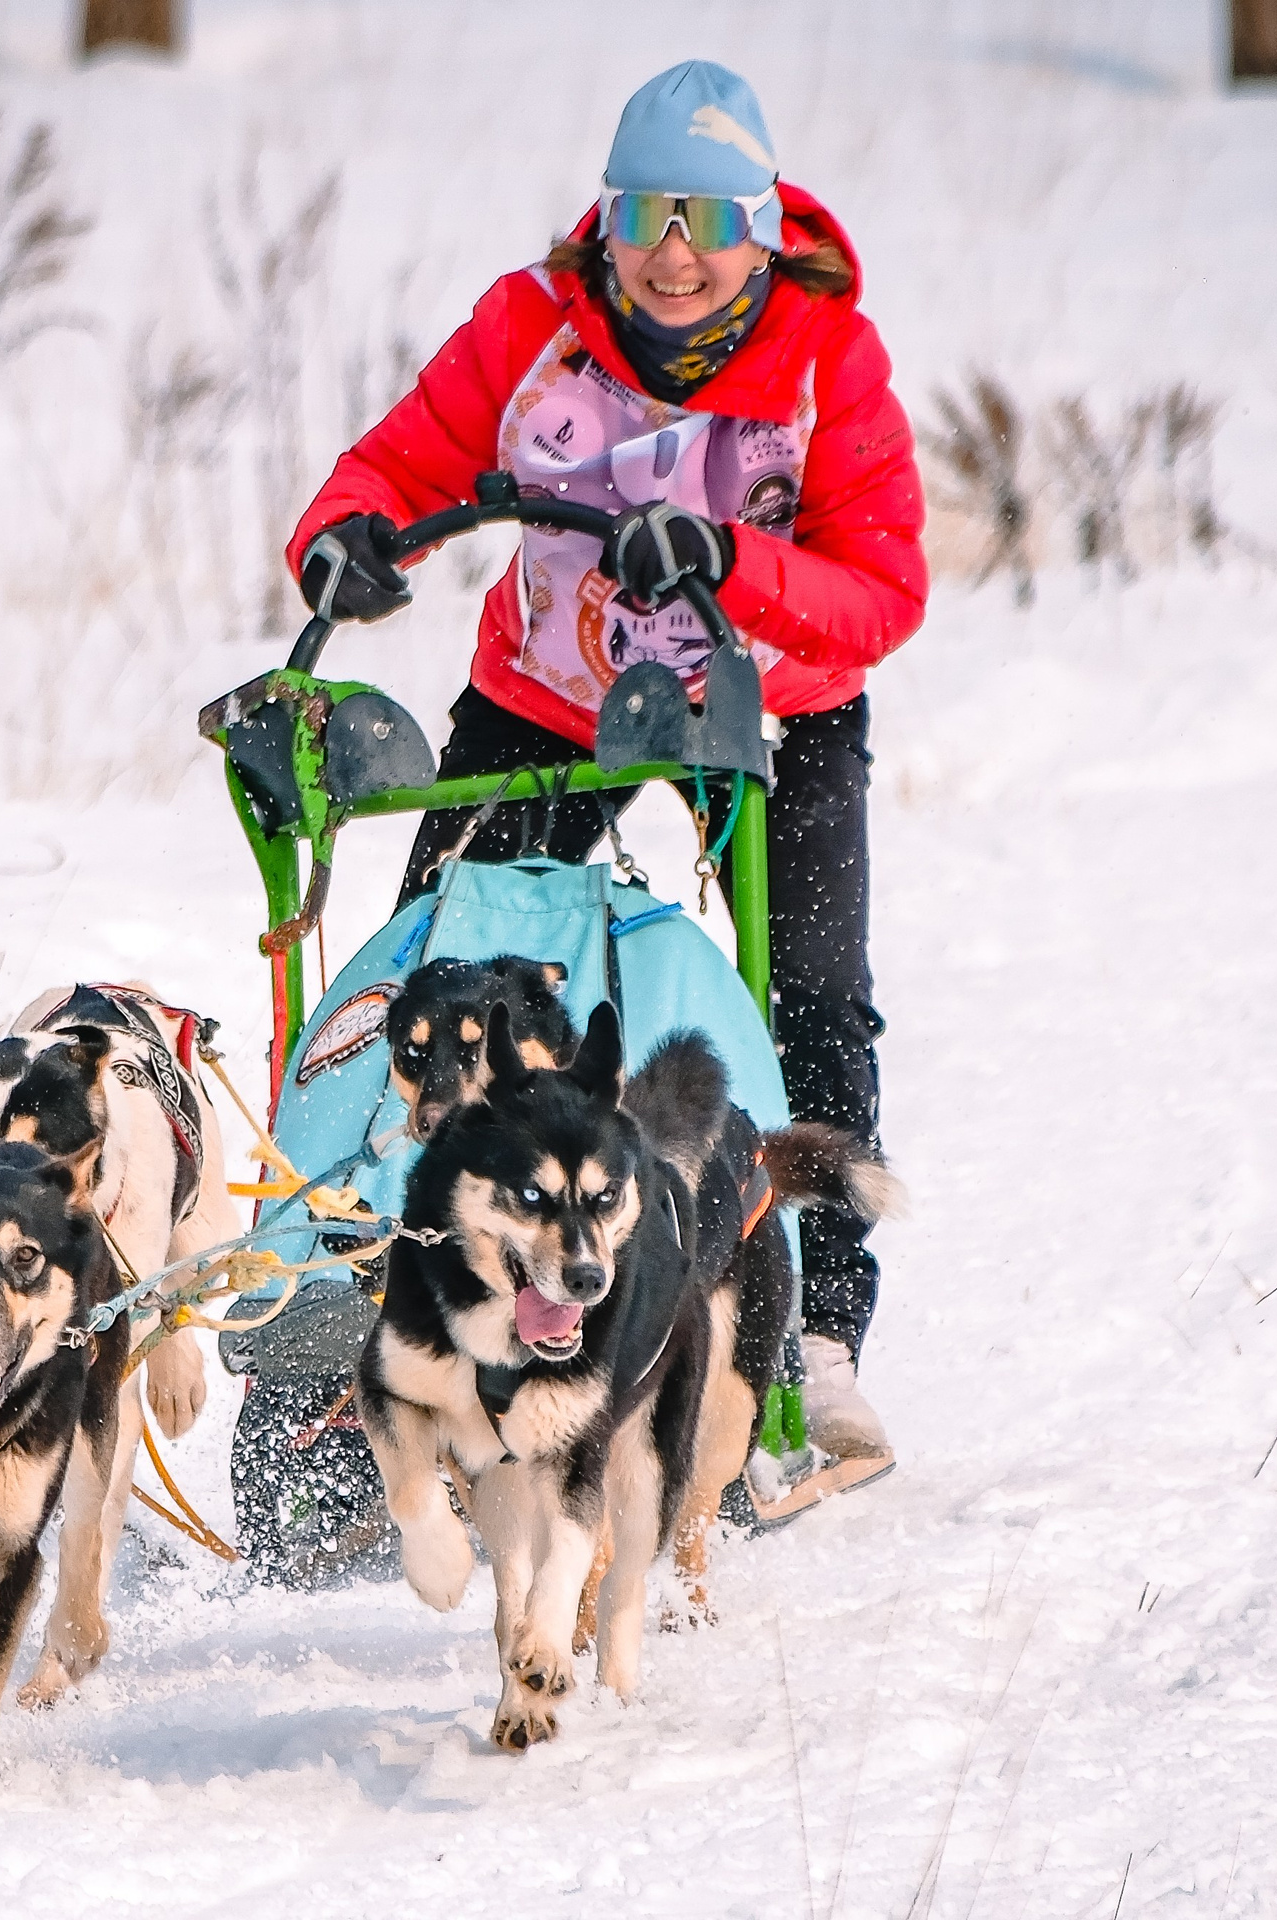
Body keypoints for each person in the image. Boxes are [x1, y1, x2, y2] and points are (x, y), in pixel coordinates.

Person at [283, 60, 927, 1464]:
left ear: (762, 227)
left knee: (811, 989)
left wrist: (731, 560)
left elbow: (882, 592)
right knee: (441, 969)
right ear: (607, 220)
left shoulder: (829, 354)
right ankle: (390, 1305)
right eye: (643, 217)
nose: (673, 254)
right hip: (552, 695)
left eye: (705, 219)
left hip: (776, 702)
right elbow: (397, 464)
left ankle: (813, 1341)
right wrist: (343, 534)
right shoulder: (535, 325)